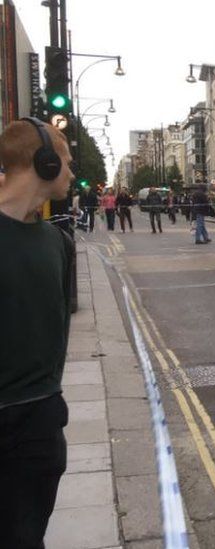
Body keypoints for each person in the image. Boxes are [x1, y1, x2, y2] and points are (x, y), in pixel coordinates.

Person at [0, 118, 75, 548]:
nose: (69, 172)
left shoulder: (57, 242)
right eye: (64, 162)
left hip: (39, 426)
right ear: (43, 163)